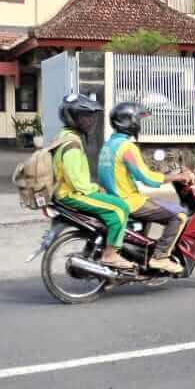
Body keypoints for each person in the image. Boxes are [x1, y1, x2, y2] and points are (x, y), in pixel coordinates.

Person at [98, 102, 194, 275]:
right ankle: (161, 257)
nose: (139, 124)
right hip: (129, 201)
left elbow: (129, 172)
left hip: (113, 197)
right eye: (138, 120)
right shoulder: (127, 147)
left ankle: (141, 256)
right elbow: (147, 178)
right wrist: (177, 177)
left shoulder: (109, 145)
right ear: (130, 122)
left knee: (156, 204)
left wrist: (165, 172)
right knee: (179, 215)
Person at [52, 93, 134, 271]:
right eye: (84, 116)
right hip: (71, 194)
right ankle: (110, 255)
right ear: (72, 118)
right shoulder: (72, 144)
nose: (90, 121)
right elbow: (77, 182)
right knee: (120, 208)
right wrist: (95, 188)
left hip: (67, 191)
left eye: (91, 116)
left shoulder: (66, 135)